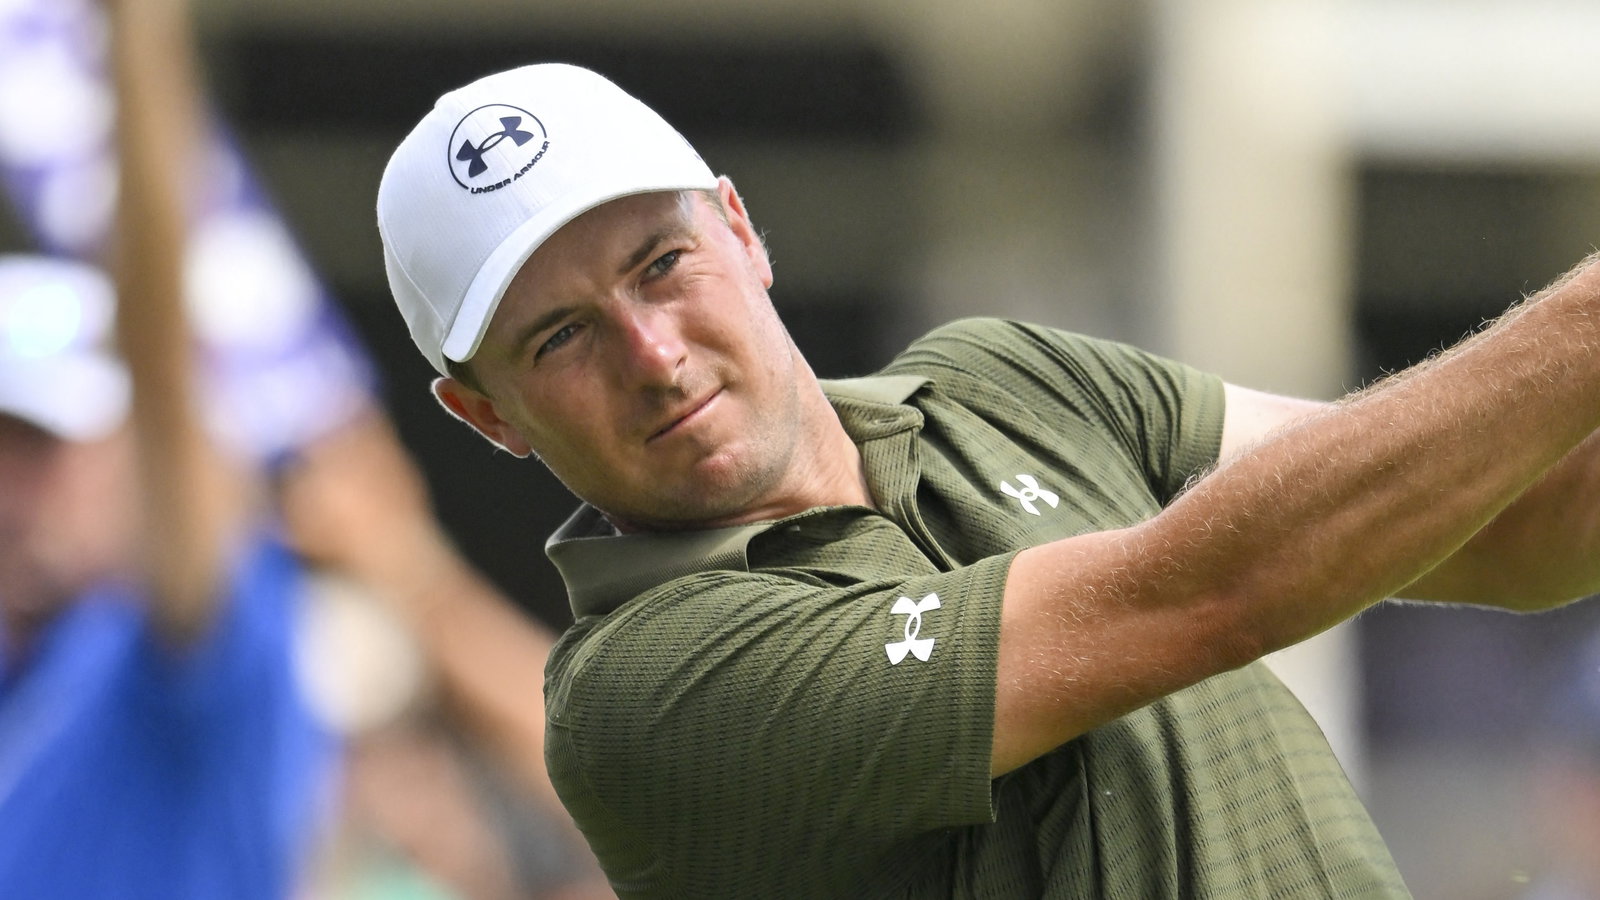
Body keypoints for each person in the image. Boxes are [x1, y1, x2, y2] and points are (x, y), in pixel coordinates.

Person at [374, 62, 1600, 898]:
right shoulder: (640, 696)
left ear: (740, 230)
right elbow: (1211, 593)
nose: (652, 354)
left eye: (661, 263)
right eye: (561, 337)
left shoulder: (1000, 381)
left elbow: (1525, 529)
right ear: (487, 416)